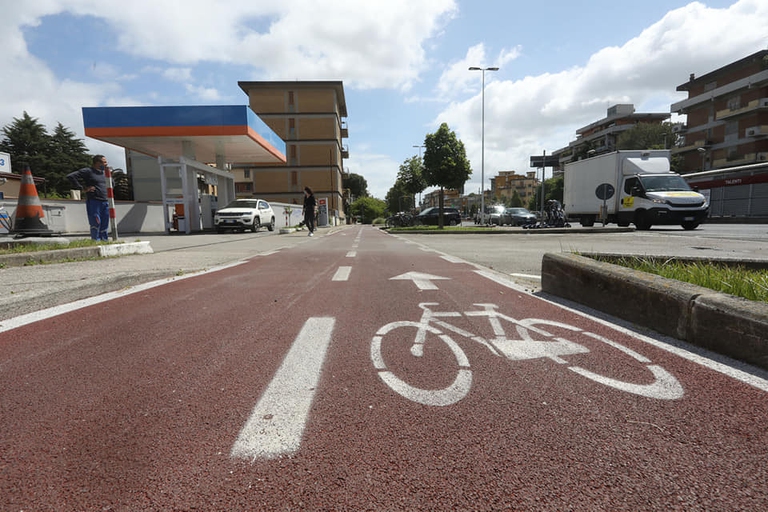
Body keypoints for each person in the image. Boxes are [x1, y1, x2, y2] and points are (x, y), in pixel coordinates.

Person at [67, 155, 110, 241]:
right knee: (96, 222)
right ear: (97, 163)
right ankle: (95, 240)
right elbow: (71, 176)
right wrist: (82, 188)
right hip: (94, 201)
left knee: (105, 222)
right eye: (104, 162)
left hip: (105, 201)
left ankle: (104, 240)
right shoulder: (88, 171)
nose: (106, 164)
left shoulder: (105, 173)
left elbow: (112, 183)